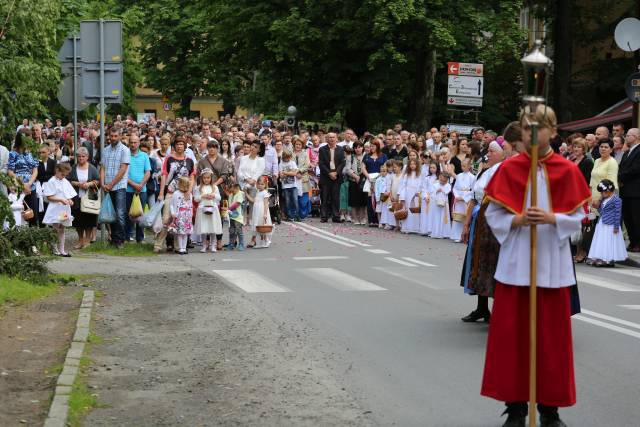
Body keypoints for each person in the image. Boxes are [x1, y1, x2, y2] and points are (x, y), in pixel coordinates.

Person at [481, 105, 590, 427]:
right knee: (512, 340)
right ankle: (514, 408)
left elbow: (580, 216)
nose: (532, 133)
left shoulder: (568, 170)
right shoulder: (509, 169)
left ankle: (549, 410)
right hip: (516, 264)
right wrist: (516, 218)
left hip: (552, 266)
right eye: (527, 127)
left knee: (550, 342)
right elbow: (493, 215)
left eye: (539, 128)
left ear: (553, 132)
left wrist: (552, 218)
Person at [460, 140, 505, 323]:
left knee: (490, 265)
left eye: (493, 151)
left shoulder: (502, 169)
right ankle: (481, 307)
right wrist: (466, 223)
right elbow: (473, 198)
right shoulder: (484, 171)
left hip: (492, 222)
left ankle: (498, 311)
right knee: (477, 263)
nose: (489, 154)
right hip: (480, 219)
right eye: (489, 151)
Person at [155, 135, 196, 253]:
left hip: (184, 194)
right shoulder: (169, 159)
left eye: (182, 144)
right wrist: (161, 193)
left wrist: (189, 191)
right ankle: (158, 244)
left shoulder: (189, 160)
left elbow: (192, 177)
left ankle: (179, 246)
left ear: (184, 147)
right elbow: (164, 175)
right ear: (174, 146)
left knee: (181, 220)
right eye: (177, 144)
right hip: (171, 192)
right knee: (167, 219)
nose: (179, 146)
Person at [100, 128, 130, 249]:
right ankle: (113, 238)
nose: (113, 138)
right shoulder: (105, 150)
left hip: (119, 186)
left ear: (120, 136)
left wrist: (111, 184)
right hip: (107, 186)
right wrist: (102, 183)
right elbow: (102, 167)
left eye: (115, 136)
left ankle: (120, 240)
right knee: (110, 214)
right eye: (111, 136)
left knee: (120, 213)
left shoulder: (125, 150)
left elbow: (123, 169)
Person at [587, 179, 627, 267]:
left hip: (611, 224)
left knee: (609, 242)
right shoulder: (603, 200)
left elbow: (618, 214)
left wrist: (616, 226)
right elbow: (602, 212)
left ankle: (608, 260)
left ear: (608, 190)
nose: (601, 194)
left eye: (602, 192)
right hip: (602, 223)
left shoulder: (617, 200)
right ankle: (600, 257)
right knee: (601, 241)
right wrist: (596, 207)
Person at [43, 163, 76, 257]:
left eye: (65, 175)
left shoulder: (65, 181)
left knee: (62, 228)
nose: (63, 177)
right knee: (55, 228)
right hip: (55, 209)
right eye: (62, 174)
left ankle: (62, 249)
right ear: (57, 171)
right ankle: (54, 248)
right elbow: (49, 197)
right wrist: (60, 199)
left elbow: (67, 194)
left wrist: (70, 200)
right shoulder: (51, 181)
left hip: (63, 209)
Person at [69, 147, 99, 249]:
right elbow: (69, 180)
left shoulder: (92, 168)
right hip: (77, 198)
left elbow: (98, 181)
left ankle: (87, 240)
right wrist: (78, 184)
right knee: (78, 221)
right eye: (79, 156)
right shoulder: (73, 167)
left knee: (89, 220)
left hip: (89, 198)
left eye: (83, 156)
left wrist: (89, 183)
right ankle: (80, 240)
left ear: (87, 157)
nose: (81, 158)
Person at [7, 133, 39, 226]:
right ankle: (17, 238)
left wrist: (28, 184)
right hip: (16, 186)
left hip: (30, 186)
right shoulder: (12, 153)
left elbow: (35, 171)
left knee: (32, 215)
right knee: (16, 214)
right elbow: (10, 171)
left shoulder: (33, 152)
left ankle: (32, 239)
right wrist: (22, 185)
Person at [125, 135, 151, 243]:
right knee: (128, 214)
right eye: (131, 142)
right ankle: (127, 236)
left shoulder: (144, 156)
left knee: (140, 214)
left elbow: (148, 172)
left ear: (139, 143)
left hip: (142, 189)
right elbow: (123, 173)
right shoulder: (125, 155)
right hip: (128, 189)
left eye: (135, 142)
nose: (133, 144)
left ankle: (140, 238)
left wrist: (140, 185)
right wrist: (134, 185)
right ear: (129, 143)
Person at [618, 128, 640, 253]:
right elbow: (621, 167)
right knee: (627, 217)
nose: (625, 137)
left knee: (636, 217)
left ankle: (638, 242)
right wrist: (619, 176)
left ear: (636, 137)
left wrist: (620, 176)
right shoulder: (626, 152)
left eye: (628, 135)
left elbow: (636, 168)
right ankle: (633, 241)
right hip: (625, 189)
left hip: (636, 190)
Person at [318, 132, 346, 223]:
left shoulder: (341, 149)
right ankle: (324, 216)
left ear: (336, 138)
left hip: (337, 177)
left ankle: (336, 216)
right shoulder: (322, 149)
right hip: (326, 176)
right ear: (327, 139)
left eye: (333, 137)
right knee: (325, 197)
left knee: (335, 197)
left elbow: (342, 162)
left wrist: (336, 173)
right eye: (329, 137)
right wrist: (329, 173)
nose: (332, 139)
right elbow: (321, 163)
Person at [193, 169, 222, 253]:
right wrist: (203, 196)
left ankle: (213, 245)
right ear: (202, 178)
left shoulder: (214, 187)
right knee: (204, 227)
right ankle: (204, 245)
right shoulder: (199, 188)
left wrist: (213, 195)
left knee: (212, 227)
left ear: (211, 178)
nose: (206, 179)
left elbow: (219, 197)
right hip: (202, 209)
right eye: (204, 178)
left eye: (208, 178)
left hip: (213, 208)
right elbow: (196, 199)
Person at [362, 138, 387, 226]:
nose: (371, 148)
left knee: (378, 199)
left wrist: (379, 176)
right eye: (370, 146)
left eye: (373, 146)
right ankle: (371, 220)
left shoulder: (383, 156)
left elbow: (385, 167)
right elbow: (363, 167)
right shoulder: (366, 156)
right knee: (370, 199)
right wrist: (368, 176)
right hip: (369, 179)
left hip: (380, 179)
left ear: (377, 146)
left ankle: (379, 220)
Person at [450, 159, 475, 243]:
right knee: (458, 217)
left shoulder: (472, 177)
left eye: (464, 166)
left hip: (466, 200)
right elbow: (455, 187)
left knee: (465, 217)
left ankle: (463, 235)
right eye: (461, 166)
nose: (462, 167)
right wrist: (457, 196)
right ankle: (456, 235)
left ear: (469, 166)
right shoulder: (459, 176)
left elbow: (472, 190)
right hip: (458, 199)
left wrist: (464, 198)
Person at [168, 177, 193, 255]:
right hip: (179, 216)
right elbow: (172, 204)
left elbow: (190, 205)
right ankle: (180, 248)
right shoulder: (176, 193)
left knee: (185, 233)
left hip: (187, 216)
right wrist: (173, 213)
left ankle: (184, 248)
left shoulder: (189, 194)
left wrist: (191, 214)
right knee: (179, 233)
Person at [345, 141, 368, 225]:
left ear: (363, 148)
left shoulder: (366, 156)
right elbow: (347, 169)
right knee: (353, 201)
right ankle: (355, 218)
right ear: (354, 149)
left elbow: (367, 167)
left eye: (360, 147)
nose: (358, 149)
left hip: (363, 181)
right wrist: (355, 176)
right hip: (353, 181)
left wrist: (362, 176)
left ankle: (362, 218)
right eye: (356, 147)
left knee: (362, 201)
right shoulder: (350, 157)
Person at [248, 177, 273, 248]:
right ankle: (262, 242)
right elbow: (254, 201)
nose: (260, 185)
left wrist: (265, 214)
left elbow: (265, 204)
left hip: (261, 211)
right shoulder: (258, 192)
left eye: (262, 184)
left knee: (262, 226)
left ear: (265, 184)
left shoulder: (265, 193)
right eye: (259, 184)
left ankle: (267, 240)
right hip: (257, 211)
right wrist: (246, 194)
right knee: (258, 226)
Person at [399, 157, 421, 233]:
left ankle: (415, 228)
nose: (412, 165)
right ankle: (406, 227)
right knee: (407, 209)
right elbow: (403, 186)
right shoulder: (406, 175)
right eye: (411, 164)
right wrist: (402, 196)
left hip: (415, 194)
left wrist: (418, 192)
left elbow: (420, 184)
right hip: (407, 193)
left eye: (414, 164)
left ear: (417, 165)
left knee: (414, 209)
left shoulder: (419, 175)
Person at [292, 137, 311, 220]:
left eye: (300, 144)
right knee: (294, 197)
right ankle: (293, 215)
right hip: (292, 177)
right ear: (294, 145)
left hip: (303, 178)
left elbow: (307, 165)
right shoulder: (290, 153)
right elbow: (287, 163)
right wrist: (295, 173)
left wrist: (299, 171)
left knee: (303, 199)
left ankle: (302, 214)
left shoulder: (305, 153)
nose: (298, 146)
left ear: (302, 145)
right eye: (296, 144)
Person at [429, 171, 452, 239]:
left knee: (444, 217)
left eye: (444, 181)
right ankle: (436, 232)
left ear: (447, 180)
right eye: (441, 180)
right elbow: (432, 193)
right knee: (436, 217)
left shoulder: (448, 185)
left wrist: (443, 190)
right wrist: (436, 191)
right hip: (436, 203)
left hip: (444, 204)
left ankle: (444, 233)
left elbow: (448, 191)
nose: (442, 182)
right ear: (439, 177)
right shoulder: (435, 184)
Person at [279, 150, 300, 222]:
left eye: (288, 158)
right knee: (287, 201)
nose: (287, 159)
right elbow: (281, 176)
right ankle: (289, 216)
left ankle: (297, 215)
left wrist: (285, 172)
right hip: (285, 186)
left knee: (295, 200)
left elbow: (294, 173)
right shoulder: (281, 164)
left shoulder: (292, 163)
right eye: (286, 158)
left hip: (293, 185)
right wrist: (290, 172)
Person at [419, 162, 438, 236]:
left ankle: (431, 230)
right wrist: (425, 196)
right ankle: (425, 229)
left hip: (434, 198)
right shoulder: (427, 178)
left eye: (434, 168)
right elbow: (424, 188)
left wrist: (433, 196)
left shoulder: (438, 178)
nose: (432, 169)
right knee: (426, 214)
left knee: (432, 214)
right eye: (431, 168)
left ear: (437, 169)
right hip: (427, 197)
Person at [226, 182, 245, 251]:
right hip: (231, 216)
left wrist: (229, 209)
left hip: (238, 217)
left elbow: (237, 203)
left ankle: (241, 244)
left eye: (231, 188)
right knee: (231, 231)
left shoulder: (240, 193)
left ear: (236, 187)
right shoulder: (231, 194)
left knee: (239, 231)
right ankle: (231, 243)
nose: (230, 190)